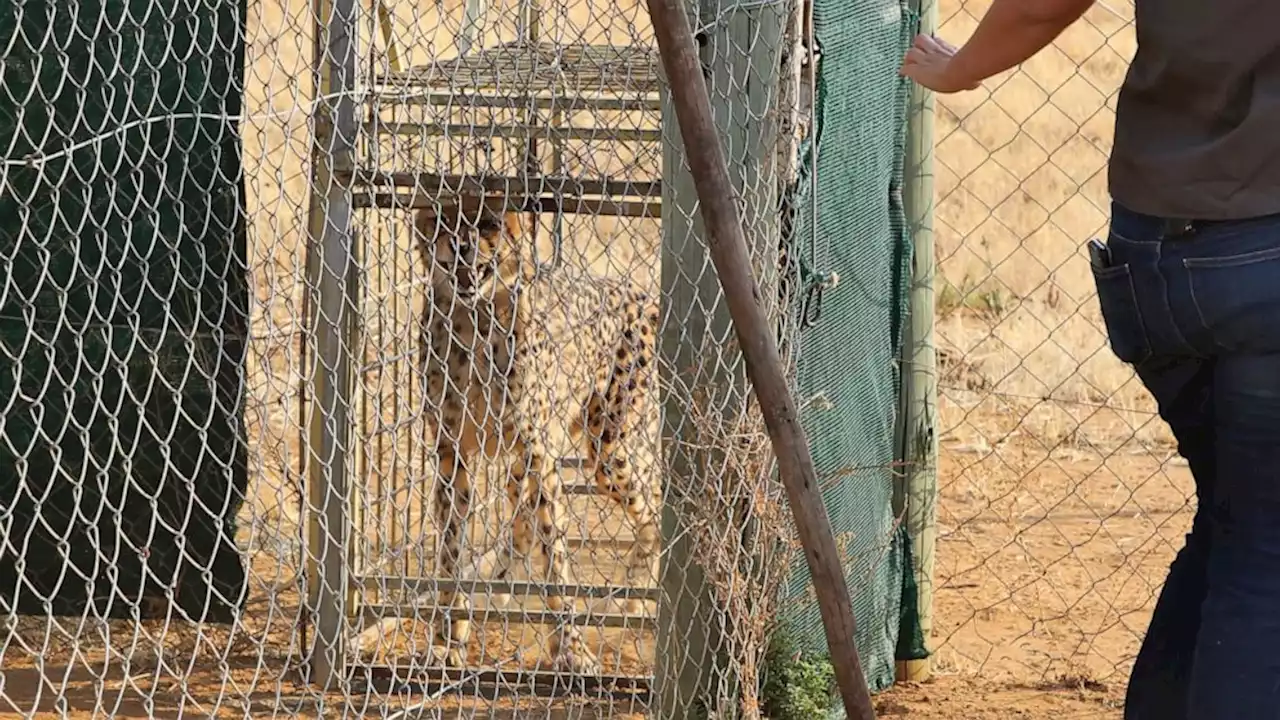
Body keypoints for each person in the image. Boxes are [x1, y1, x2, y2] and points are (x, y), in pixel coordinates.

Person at [899, 2, 1280, 718]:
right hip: (1264, 257)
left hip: (1153, 260)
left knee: (1237, 518)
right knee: (1265, 553)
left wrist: (961, 68)